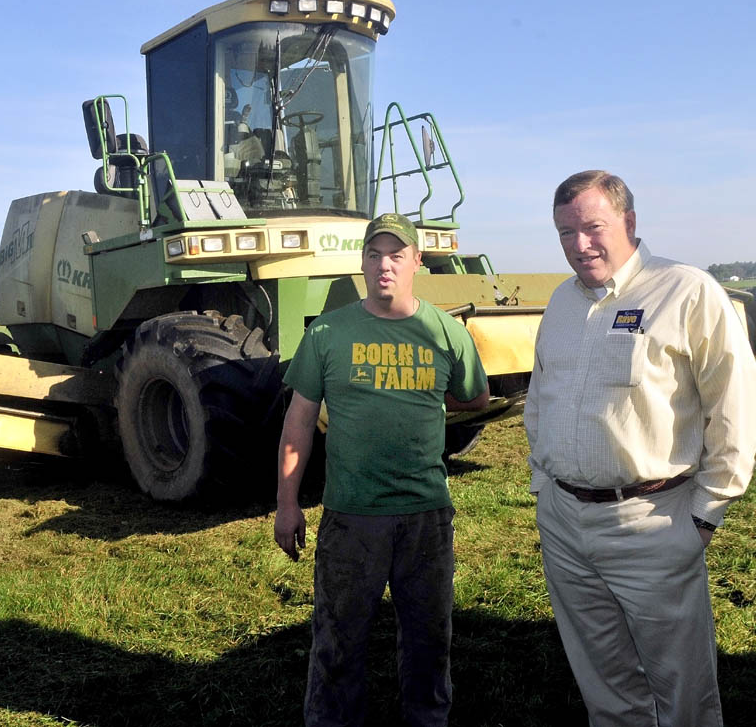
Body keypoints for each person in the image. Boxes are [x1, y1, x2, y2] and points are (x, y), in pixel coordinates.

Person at [524, 169, 756, 726]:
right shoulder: (560, 302)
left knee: (683, 691)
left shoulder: (687, 290)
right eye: (564, 233)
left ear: (629, 221)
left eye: (593, 227)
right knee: (604, 684)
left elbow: (735, 410)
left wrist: (704, 515)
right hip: (564, 523)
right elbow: (540, 398)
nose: (580, 245)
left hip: (652, 522)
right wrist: (542, 488)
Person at [274, 212, 489, 727]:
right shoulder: (329, 332)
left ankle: (427, 720)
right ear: (363, 263)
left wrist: (428, 399)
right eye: (374, 255)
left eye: (397, 255)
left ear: (417, 261)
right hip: (352, 516)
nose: (384, 265)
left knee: (428, 639)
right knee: (338, 639)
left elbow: (476, 396)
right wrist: (286, 504)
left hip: (425, 516)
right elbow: (299, 420)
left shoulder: (445, 332)